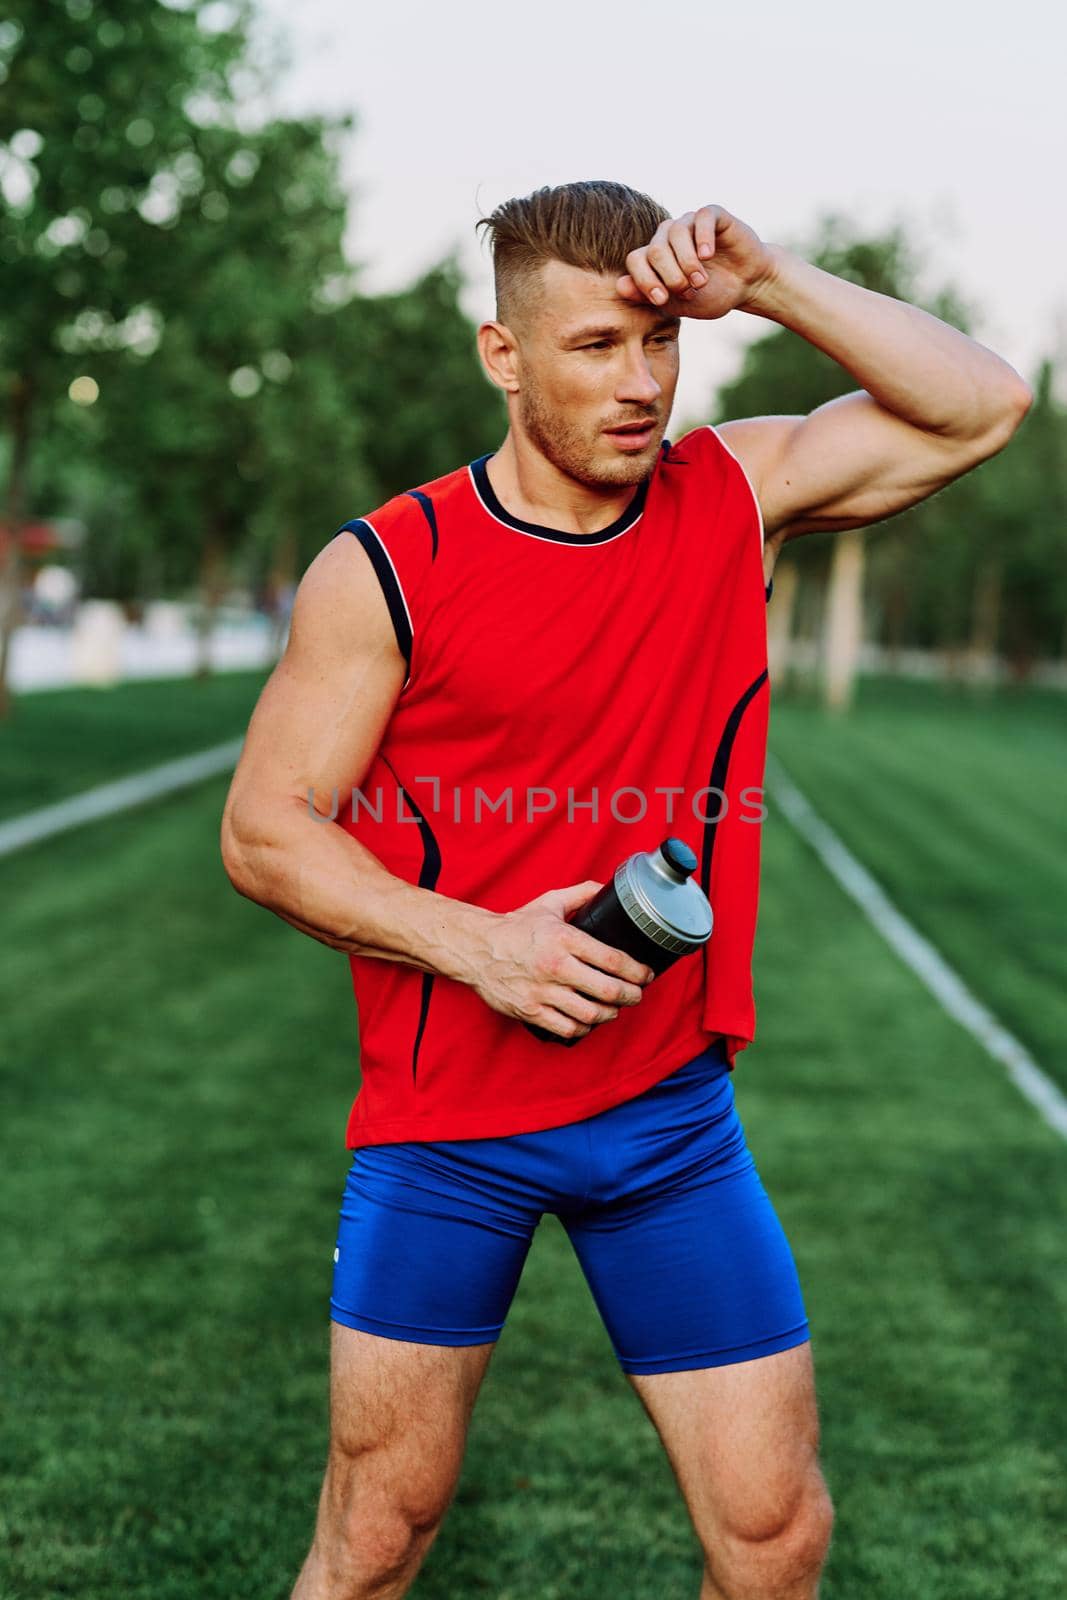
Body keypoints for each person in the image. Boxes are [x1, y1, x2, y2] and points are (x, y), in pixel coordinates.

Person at [219, 181, 1031, 1600]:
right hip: (449, 1128)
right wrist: (484, 949)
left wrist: (771, 281)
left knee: (776, 1542)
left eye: (661, 341)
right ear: (503, 354)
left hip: (668, 1125)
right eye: (597, 345)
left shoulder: (732, 496)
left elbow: (981, 407)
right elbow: (264, 831)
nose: (644, 382)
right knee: (374, 1540)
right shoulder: (387, 570)